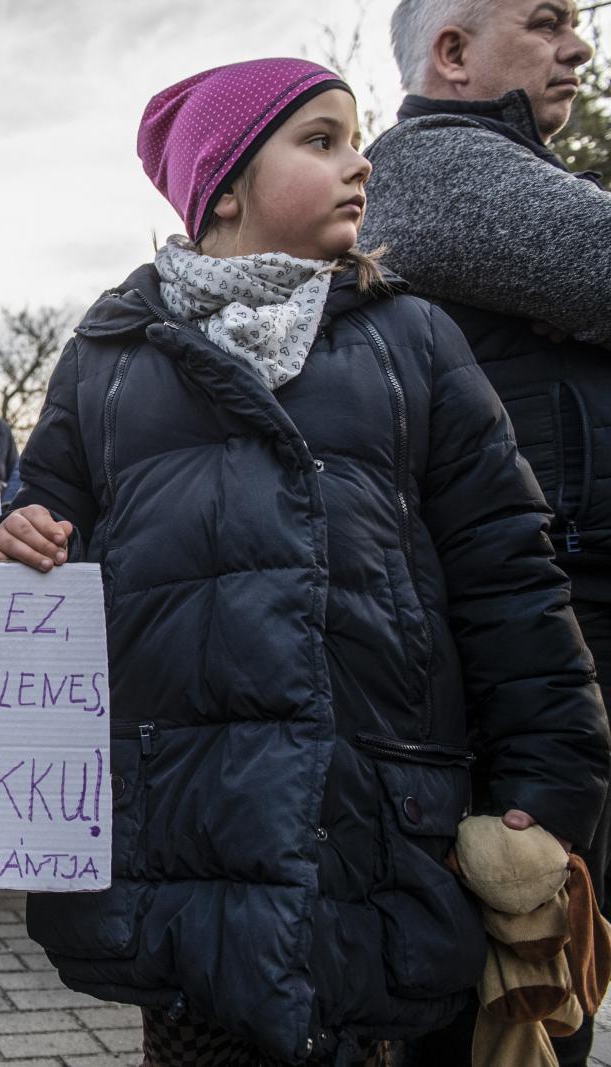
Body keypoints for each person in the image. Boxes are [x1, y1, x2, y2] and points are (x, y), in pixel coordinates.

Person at [0, 58, 609, 1064]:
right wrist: (21, 532)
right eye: (321, 141)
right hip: (174, 827)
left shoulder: (414, 341)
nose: (359, 165)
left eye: (355, 139)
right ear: (223, 186)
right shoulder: (106, 356)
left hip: (367, 825)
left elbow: (505, 572)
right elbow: (43, 517)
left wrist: (549, 774)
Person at [358, 3, 611, 1060]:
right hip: (515, 656)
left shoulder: (517, 182)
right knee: (507, 980)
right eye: (544, 20)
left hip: (552, 641)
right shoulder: (429, 166)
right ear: (451, 54)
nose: (580, 44)